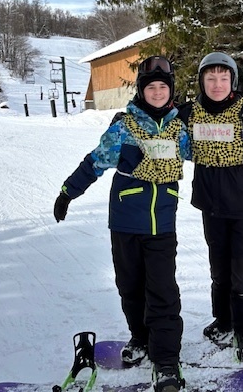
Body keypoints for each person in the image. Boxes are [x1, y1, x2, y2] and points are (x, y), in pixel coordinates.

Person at [53, 56, 191, 392]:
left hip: (162, 227)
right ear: (142, 91)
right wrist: (67, 192)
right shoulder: (123, 128)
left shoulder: (180, 130)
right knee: (130, 288)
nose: (157, 92)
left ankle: (167, 362)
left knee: (163, 294)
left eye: (163, 87)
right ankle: (140, 339)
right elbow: (94, 162)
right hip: (126, 225)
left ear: (170, 91)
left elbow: (209, 150)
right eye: (151, 87)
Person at [177, 51, 243, 365]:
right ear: (202, 81)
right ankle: (224, 321)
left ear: (232, 80)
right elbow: (156, 120)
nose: (217, 84)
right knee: (219, 271)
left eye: (223, 78)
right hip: (212, 207)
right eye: (211, 78)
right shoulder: (189, 114)